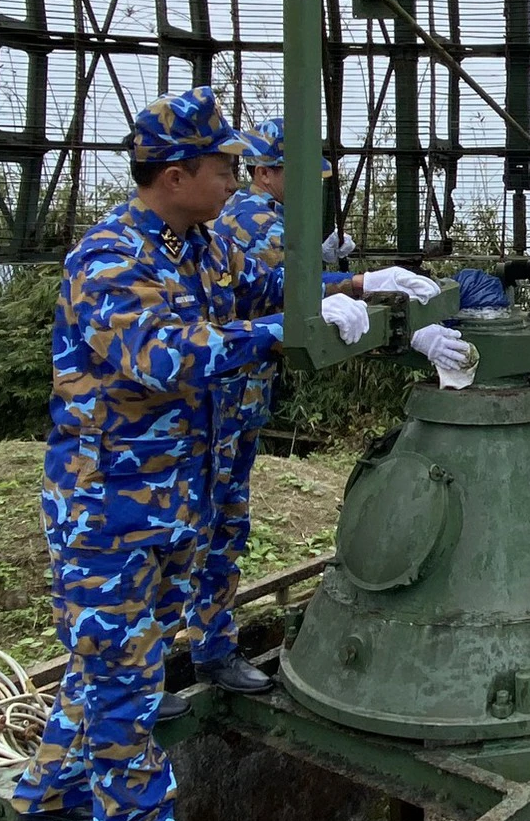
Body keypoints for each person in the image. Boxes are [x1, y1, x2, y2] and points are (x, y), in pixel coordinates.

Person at [7, 88, 286, 821]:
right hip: (109, 510)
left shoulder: (197, 245)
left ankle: (46, 789)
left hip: (170, 504)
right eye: (221, 167)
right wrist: (277, 334)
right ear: (173, 174)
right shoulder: (110, 258)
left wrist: (357, 290)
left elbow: (264, 290)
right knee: (124, 675)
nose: (233, 180)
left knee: (111, 661)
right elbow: (168, 356)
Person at [188, 116, 469, 686]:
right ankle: (188, 659)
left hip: (236, 405)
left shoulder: (263, 219)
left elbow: (289, 287)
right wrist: (369, 296)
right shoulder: (257, 220)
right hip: (217, 406)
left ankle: (207, 651)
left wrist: (348, 279)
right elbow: (293, 301)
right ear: (267, 172)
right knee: (204, 531)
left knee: (219, 528)